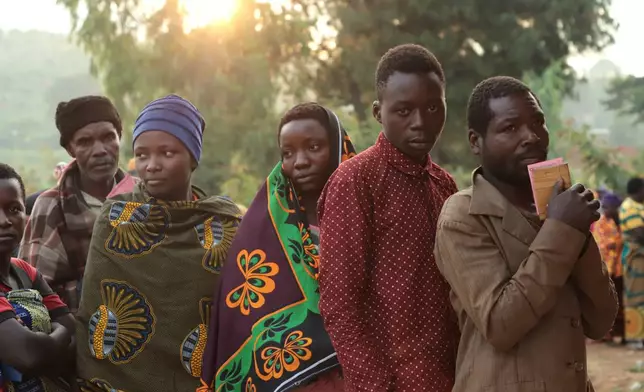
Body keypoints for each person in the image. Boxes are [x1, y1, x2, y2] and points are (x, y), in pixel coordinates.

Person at [434, 76, 617, 391]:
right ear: (476, 142)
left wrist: (578, 234)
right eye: (510, 128)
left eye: (538, 122)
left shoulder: (554, 208)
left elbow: (601, 321)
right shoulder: (461, 216)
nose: (531, 136)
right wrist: (562, 230)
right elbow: (501, 324)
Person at [75, 95, 241, 391]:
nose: (151, 166)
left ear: (192, 157)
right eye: (141, 155)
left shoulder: (225, 224)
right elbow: (94, 313)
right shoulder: (115, 218)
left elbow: (238, 313)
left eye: (167, 153)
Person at [317, 44, 459, 391]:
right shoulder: (355, 181)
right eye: (404, 111)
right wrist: (377, 384)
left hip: (454, 377)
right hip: (390, 383)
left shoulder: (445, 184)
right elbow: (339, 303)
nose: (420, 122)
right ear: (379, 113)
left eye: (431, 108)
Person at [200, 103, 356, 392]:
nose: (300, 161)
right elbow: (241, 316)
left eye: (313, 147)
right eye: (288, 153)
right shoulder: (260, 232)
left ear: (337, 148)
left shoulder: (366, 220)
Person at [19, 96, 133, 314]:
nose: (100, 150)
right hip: (76, 338)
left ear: (120, 137)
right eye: (85, 142)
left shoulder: (144, 199)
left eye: (108, 137)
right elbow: (32, 295)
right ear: (71, 150)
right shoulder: (52, 207)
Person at [0, 163, 75, 392]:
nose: (5, 221)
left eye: (14, 209)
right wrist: (55, 332)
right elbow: (28, 355)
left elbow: (75, 336)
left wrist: (44, 347)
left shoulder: (25, 272)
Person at [592, 192, 625, 342]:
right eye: (605, 207)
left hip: (621, 267)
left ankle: (622, 333)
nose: (606, 210)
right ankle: (606, 334)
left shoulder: (621, 221)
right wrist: (615, 243)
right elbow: (600, 244)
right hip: (606, 268)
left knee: (621, 301)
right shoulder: (601, 223)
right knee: (608, 301)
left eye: (609, 207)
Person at [619, 178, 644, 349]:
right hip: (635, 257)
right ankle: (635, 337)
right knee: (635, 296)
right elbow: (640, 234)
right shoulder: (629, 207)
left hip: (640, 255)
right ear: (639, 190)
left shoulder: (638, 207)